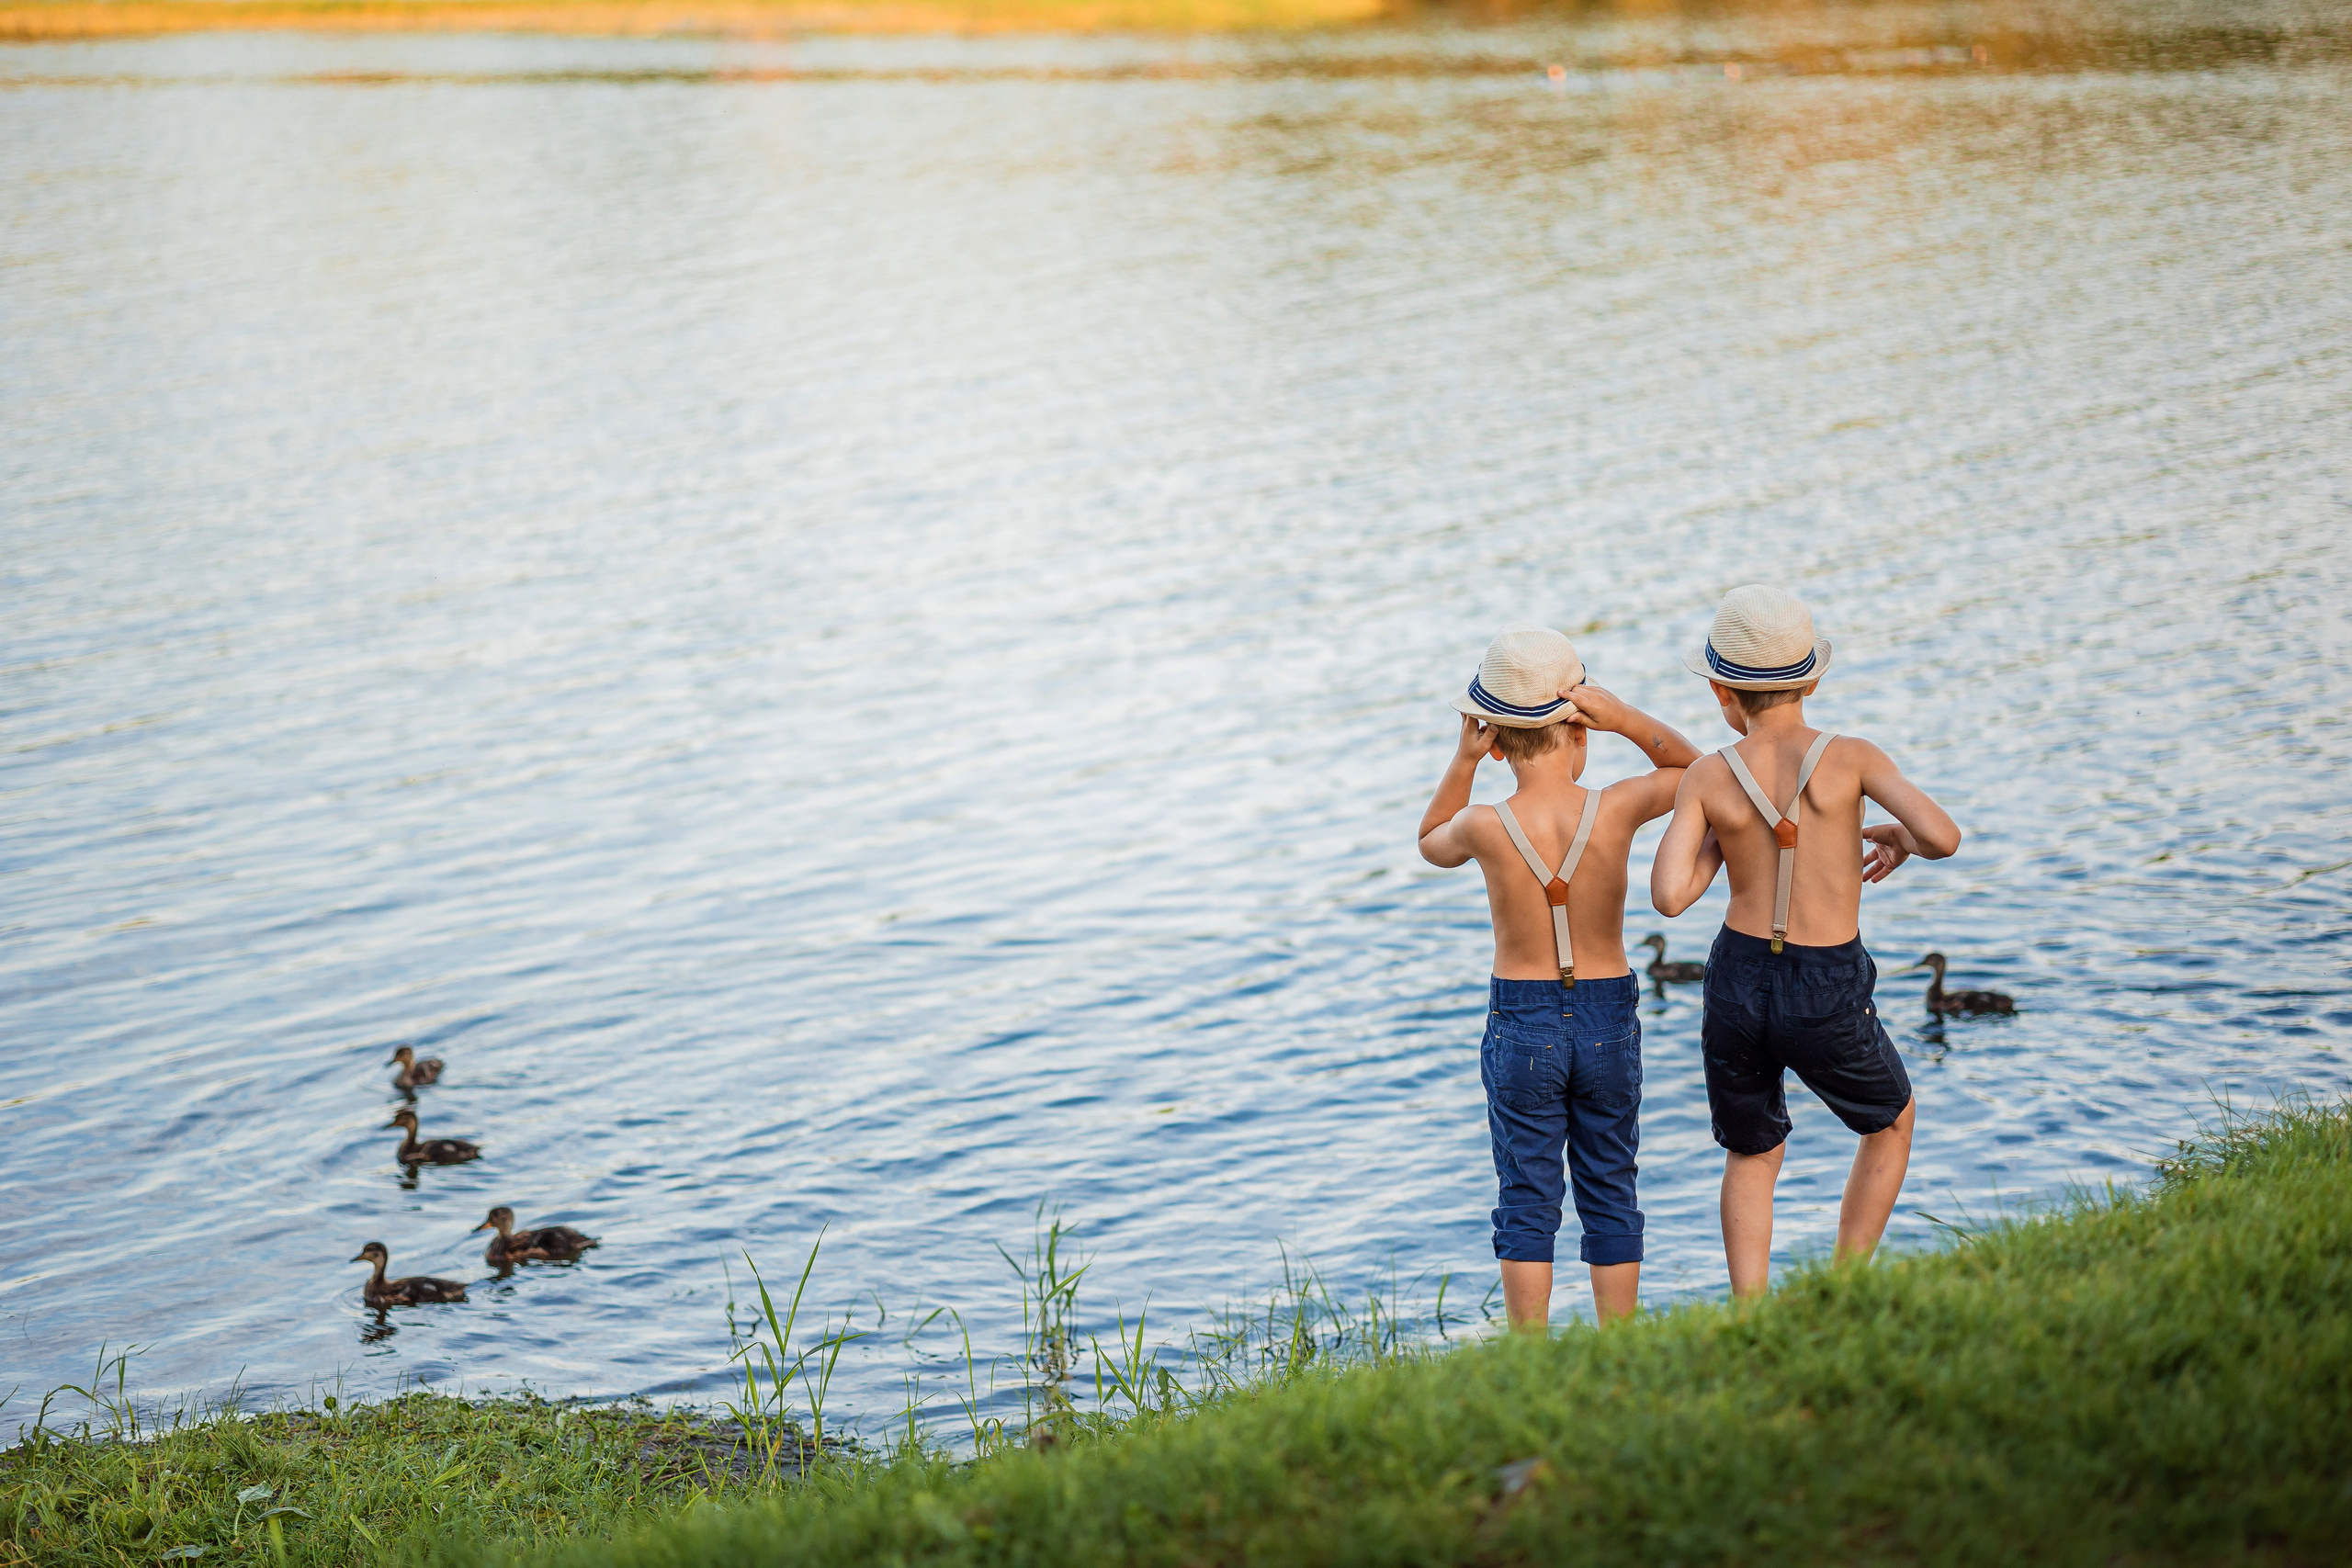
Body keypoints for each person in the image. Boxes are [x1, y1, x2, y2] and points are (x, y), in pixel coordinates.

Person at [1649, 585, 1962, 1298]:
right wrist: (1901, 836)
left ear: (1723, 693)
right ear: (1814, 678)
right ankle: (1845, 1286)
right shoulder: (1850, 757)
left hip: (1736, 979)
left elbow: (1669, 896)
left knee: (1752, 1153)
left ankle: (1750, 1312)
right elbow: (1944, 836)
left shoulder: (1708, 775)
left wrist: (1731, 839)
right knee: (1889, 1121)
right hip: (1825, 982)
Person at [1418, 625, 1701, 1329]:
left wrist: (1463, 759)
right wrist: (1628, 718)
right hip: (1606, 1014)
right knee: (1610, 1183)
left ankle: (1530, 1351)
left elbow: (1430, 839)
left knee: (1527, 1192)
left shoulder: (1484, 823)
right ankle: (1621, 1343)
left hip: (1523, 1021)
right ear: (1581, 731)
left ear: (1499, 741)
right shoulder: (1618, 806)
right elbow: (1699, 771)